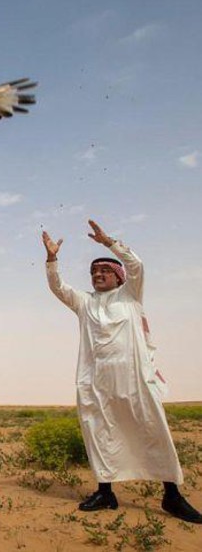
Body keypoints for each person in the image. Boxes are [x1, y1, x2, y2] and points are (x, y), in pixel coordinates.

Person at [42, 220, 202, 523]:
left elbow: (137, 264)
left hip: (135, 380)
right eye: (93, 273)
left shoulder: (130, 295)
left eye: (104, 271)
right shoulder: (85, 302)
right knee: (100, 433)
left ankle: (172, 495)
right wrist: (52, 259)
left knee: (153, 430)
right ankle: (106, 492)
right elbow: (58, 288)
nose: (97, 275)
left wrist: (108, 243)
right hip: (96, 383)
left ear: (118, 277)